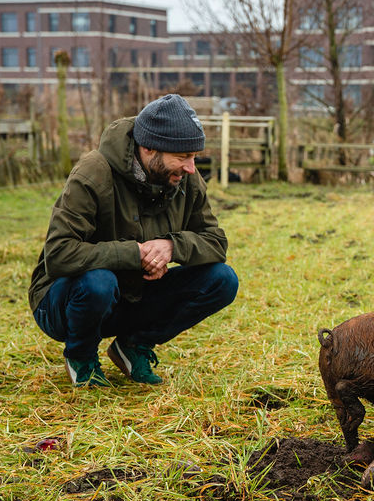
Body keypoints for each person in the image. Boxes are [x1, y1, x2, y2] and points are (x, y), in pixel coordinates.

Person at [28, 94, 239, 387]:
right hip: (63, 301)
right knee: (99, 282)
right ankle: (81, 356)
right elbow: (59, 254)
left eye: (194, 156)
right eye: (182, 157)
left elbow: (216, 242)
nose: (192, 167)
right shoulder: (94, 172)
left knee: (222, 279)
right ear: (149, 148)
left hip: (131, 296)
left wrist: (170, 246)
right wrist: (134, 254)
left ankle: (133, 345)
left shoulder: (186, 179)